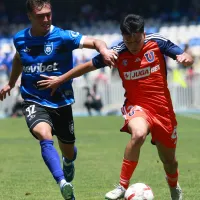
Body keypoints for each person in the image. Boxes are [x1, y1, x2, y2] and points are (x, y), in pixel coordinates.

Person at [37, 14, 194, 200]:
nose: (133, 45)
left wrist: (186, 58)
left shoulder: (158, 42)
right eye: (128, 41)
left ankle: (174, 187)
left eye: (137, 40)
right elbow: (88, 66)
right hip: (137, 107)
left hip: (163, 111)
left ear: (143, 34)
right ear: (122, 37)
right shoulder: (117, 52)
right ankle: (122, 186)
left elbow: (185, 56)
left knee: (170, 162)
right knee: (138, 133)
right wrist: (61, 79)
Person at [0, 0, 117, 199]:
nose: (46, 19)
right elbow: (19, 58)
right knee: (44, 135)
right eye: (40, 16)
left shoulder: (62, 36)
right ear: (29, 16)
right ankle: (63, 183)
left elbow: (96, 42)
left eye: (48, 14)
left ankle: (68, 161)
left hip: (61, 101)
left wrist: (104, 51)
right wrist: (11, 83)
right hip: (32, 99)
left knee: (69, 151)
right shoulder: (19, 39)